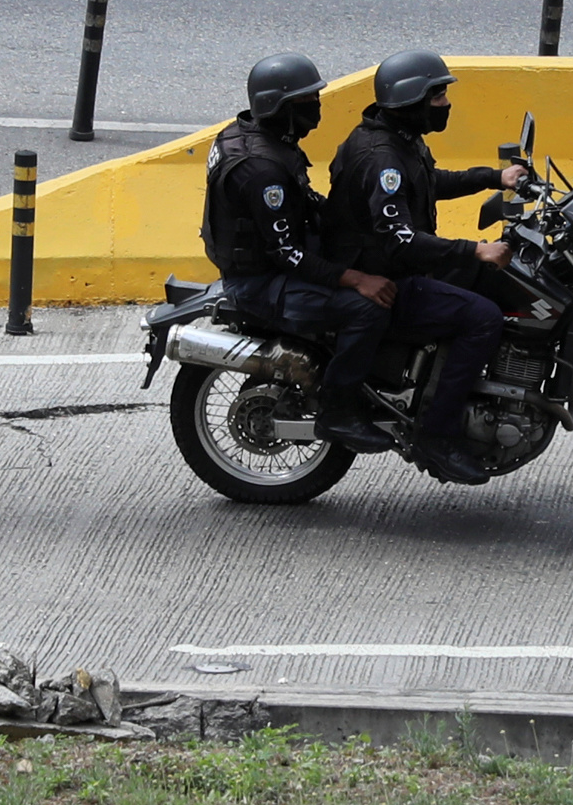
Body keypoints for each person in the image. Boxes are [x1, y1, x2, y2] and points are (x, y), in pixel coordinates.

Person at [324, 48, 526, 486]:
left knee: (491, 283)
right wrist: (475, 249)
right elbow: (400, 239)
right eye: (436, 96)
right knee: (482, 318)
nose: (446, 104)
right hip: (385, 279)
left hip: (398, 267)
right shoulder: (381, 157)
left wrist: (495, 178)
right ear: (410, 100)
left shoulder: (400, 139)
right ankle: (437, 436)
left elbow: (431, 184)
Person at [199, 52, 399, 456]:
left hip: (263, 263)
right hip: (260, 282)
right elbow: (286, 253)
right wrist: (357, 279)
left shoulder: (251, 135)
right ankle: (339, 411)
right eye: (306, 102)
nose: (317, 108)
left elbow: (303, 205)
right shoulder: (262, 170)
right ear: (279, 108)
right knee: (369, 308)